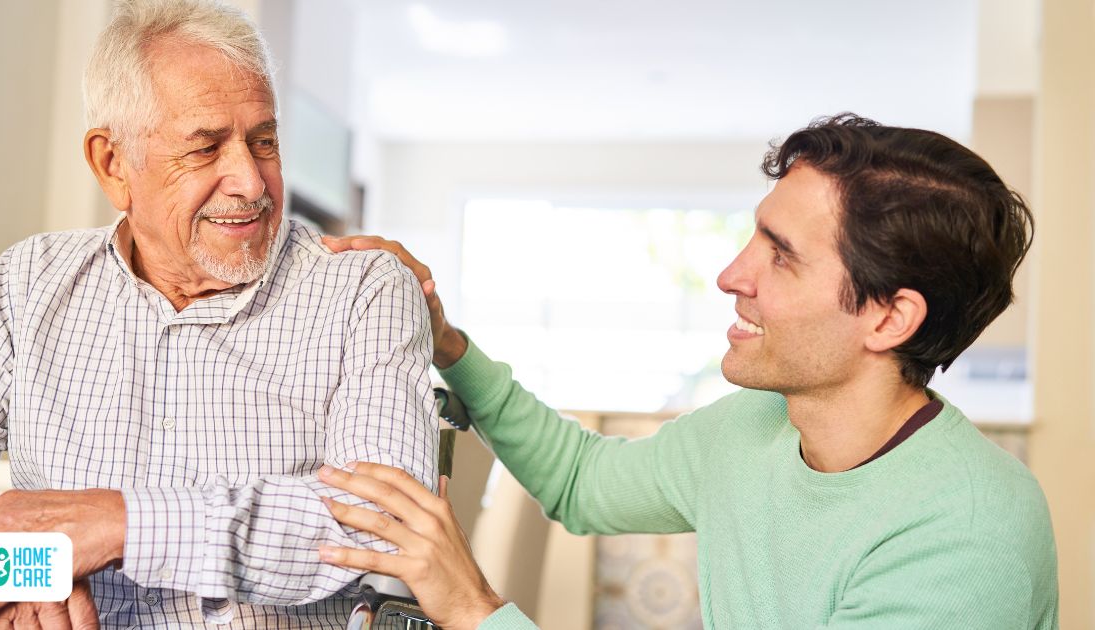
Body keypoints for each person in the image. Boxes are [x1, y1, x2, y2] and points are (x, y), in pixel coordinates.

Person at [315, 115, 1059, 629]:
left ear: (890, 319)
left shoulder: (963, 534)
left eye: (781, 255)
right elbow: (582, 482)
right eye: (753, 239)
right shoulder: (757, 428)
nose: (732, 275)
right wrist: (449, 345)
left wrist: (477, 608)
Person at [0, 0, 438, 627]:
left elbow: (382, 524)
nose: (253, 183)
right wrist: (16, 566)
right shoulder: (28, 283)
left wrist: (120, 524)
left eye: (263, 142)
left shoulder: (366, 287)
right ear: (113, 164)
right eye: (206, 150)